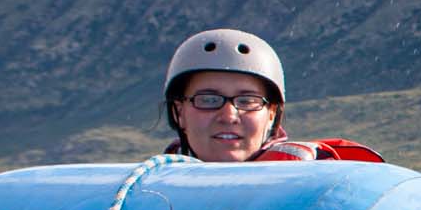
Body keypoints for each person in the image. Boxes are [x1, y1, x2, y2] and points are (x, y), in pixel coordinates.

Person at [162, 28, 383, 164]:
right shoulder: (144, 192)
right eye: (208, 100)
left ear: (271, 114)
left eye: (248, 101)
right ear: (178, 111)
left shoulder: (313, 188)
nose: (229, 116)